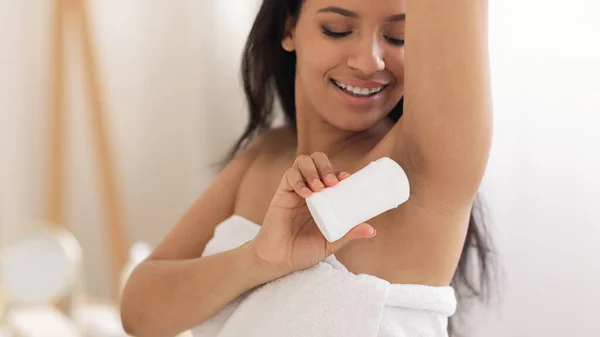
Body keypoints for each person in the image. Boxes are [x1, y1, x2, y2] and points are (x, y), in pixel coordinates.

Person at [120, 0, 495, 336]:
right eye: (338, 29)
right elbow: (139, 313)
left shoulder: (421, 166)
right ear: (288, 28)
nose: (369, 61)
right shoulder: (265, 155)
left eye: (399, 37)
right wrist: (258, 259)